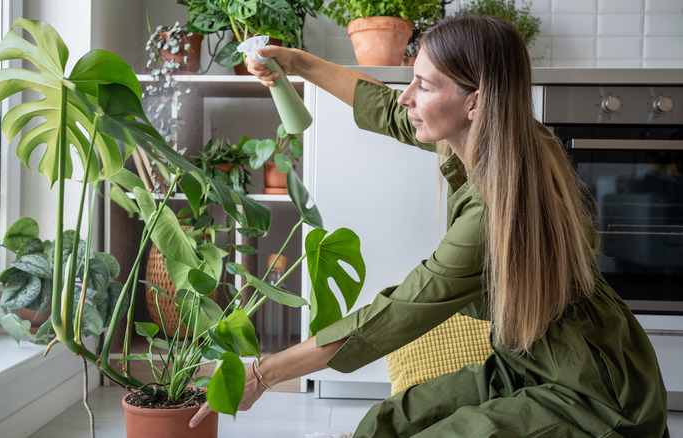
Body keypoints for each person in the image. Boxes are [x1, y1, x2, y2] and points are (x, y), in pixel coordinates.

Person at [189, 14, 669, 437]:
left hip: (593, 395)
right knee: (384, 424)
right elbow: (387, 111)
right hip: (522, 363)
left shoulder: (495, 209)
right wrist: (297, 62)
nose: (407, 99)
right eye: (411, 80)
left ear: (475, 103)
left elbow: (399, 312)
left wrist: (263, 374)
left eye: (425, 85)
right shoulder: (503, 138)